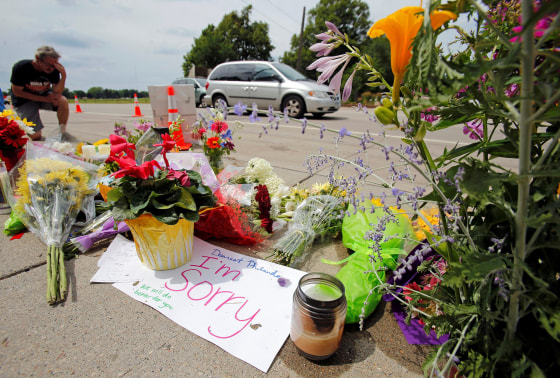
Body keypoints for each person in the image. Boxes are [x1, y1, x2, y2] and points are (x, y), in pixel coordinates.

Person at [10, 46, 69, 141]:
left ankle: (62, 132)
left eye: (54, 65)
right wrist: (45, 99)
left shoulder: (53, 70)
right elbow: (17, 92)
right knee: (36, 136)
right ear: (38, 58)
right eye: (48, 65)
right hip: (24, 100)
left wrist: (63, 76)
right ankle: (23, 122)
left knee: (62, 101)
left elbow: (57, 92)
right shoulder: (21, 68)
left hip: (43, 96)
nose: (51, 68)